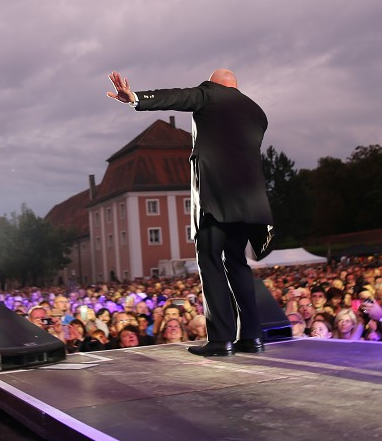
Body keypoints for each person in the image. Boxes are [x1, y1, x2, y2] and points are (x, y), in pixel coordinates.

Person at [107, 69, 273, 357]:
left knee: (209, 259)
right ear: (236, 86)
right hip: (250, 202)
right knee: (236, 262)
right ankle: (252, 336)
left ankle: (221, 339)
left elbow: (177, 97)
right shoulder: (257, 112)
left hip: (217, 197)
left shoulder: (208, 95)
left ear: (213, 84)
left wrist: (135, 98)